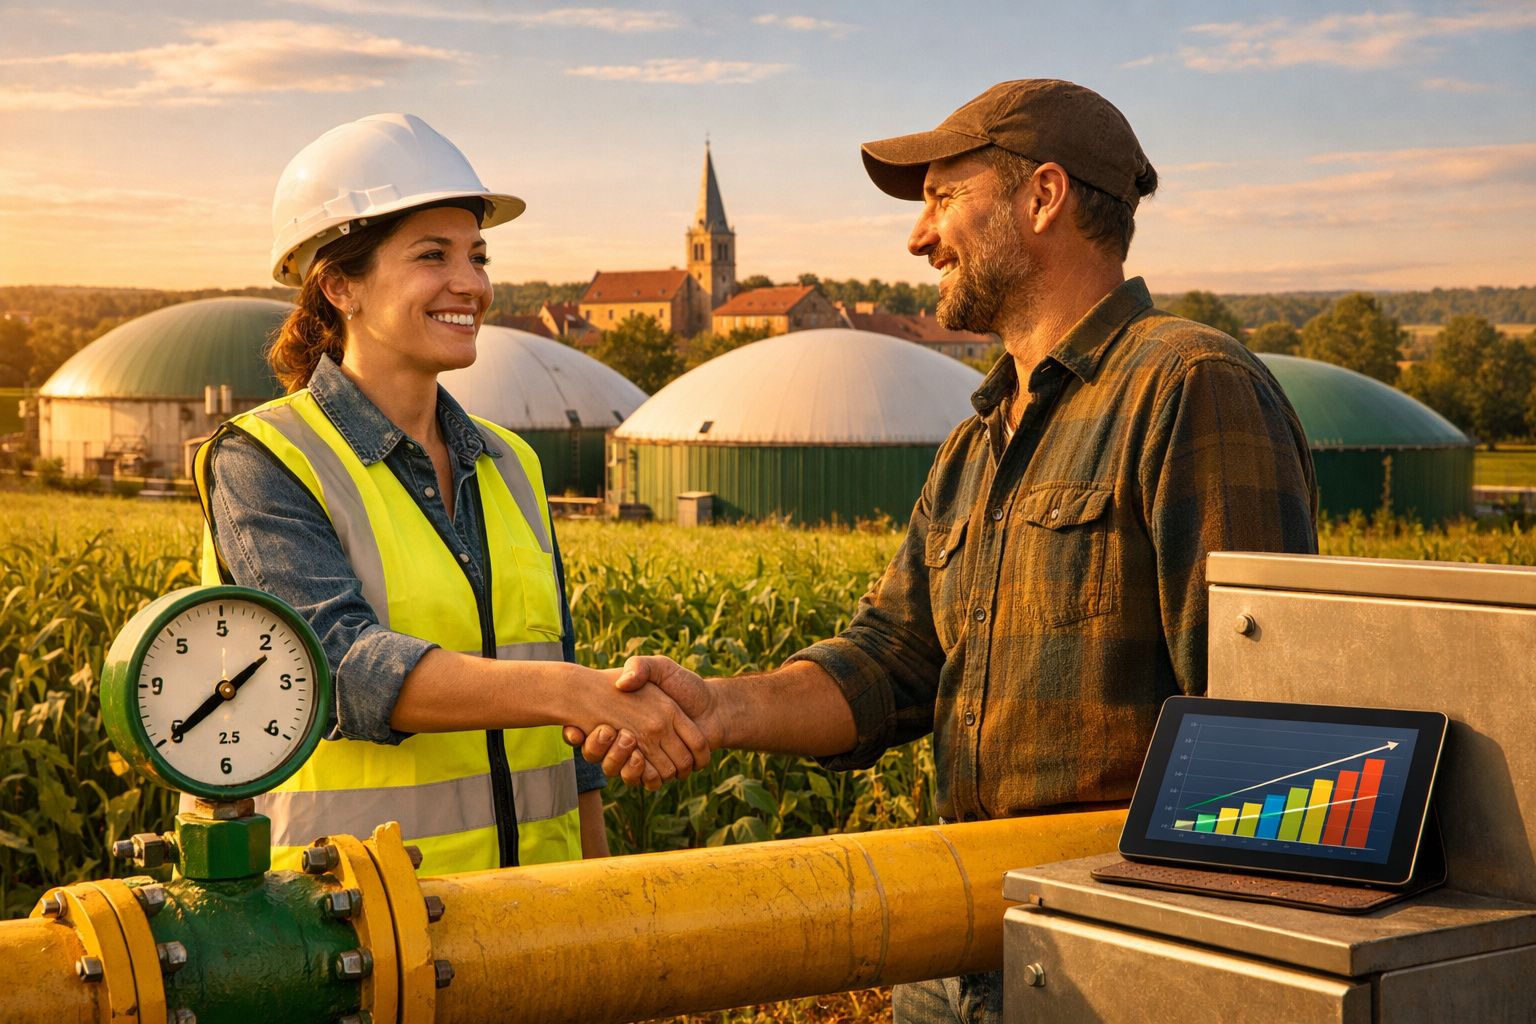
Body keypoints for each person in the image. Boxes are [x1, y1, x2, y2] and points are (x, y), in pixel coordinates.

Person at [574, 80, 1318, 1022]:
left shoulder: (1186, 388)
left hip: (1112, 960)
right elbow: (891, 660)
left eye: (941, 199)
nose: (918, 239)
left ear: (1042, 197)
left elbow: (1258, 725)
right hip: (956, 940)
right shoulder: (979, 441)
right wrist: (715, 708)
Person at [193, 113, 708, 875]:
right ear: (340, 285)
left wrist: (604, 905)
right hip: (354, 927)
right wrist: (575, 692)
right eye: (433, 256)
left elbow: (567, 735)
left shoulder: (512, 464)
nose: (471, 284)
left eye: (477, 255)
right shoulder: (265, 460)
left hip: (537, 915)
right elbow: (340, 667)